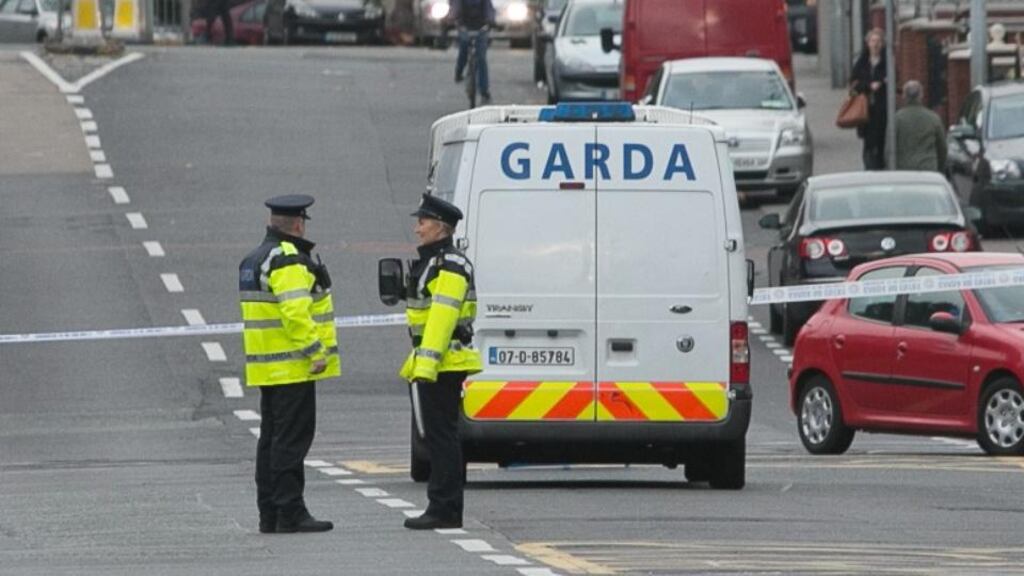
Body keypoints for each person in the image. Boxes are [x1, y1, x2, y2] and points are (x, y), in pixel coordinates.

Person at [238, 195, 340, 534]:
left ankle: (270, 512)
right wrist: (316, 351)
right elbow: (296, 311)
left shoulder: (256, 259)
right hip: (294, 365)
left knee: (271, 440)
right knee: (291, 442)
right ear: (298, 224)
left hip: (268, 366)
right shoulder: (288, 261)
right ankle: (291, 511)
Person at [401, 194, 482, 530]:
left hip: (443, 362)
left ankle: (444, 508)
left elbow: (441, 320)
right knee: (439, 436)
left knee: (442, 437)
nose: (417, 228)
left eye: (423, 222)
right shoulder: (436, 262)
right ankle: (443, 506)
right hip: (438, 360)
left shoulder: (449, 265)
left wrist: (426, 366)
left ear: (440, 227)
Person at [850, 28, 887, 170]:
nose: (875, 44)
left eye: (878, 41)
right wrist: (868, 86)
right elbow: (854, 84)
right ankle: (870, 167)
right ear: (868, 43)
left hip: (882, 110)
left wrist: (882, 83)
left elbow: (894, 80)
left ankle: (880, 165)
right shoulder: (862, 62)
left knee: (882, 140)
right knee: (869, 142)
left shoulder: (887, 62)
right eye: (873, 41)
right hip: (866, 110)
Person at [895, 80, 947, 173]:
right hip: (928, 168)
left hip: (903, 170)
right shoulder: (933, 118)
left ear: (904, 96)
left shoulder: (897, 119)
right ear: (921, 95)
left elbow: (889, 148)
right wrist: (940, 168)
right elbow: (942, 148)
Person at [450, 0, 495, 105]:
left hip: (481, 28)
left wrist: (490, 21)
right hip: (464, 27)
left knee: (481, 58)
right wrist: (453, 18)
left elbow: (489, 9)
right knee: (464, 48)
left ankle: (484, 91)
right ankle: (459, 72)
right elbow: (455, 8)